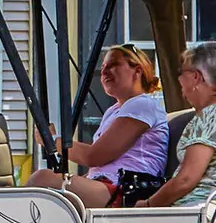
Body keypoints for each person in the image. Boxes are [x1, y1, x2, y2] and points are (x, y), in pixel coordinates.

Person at [29, 45, 168, 208]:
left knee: (42, 179)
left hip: (129, 190)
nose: (104, 71)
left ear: (137, 71)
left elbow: (94, 156)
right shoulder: (115, 110)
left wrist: (52, 141)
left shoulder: (142, 104)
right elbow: (99, 164)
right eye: (103, 67)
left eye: (113, 65)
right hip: (109, 185)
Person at [145, 40, 216, 208]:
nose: (178, 79)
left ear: (195, 77)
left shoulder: (212, 115)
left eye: (181, 72)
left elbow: (186, 180)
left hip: (207, 208)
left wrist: (147, 205)